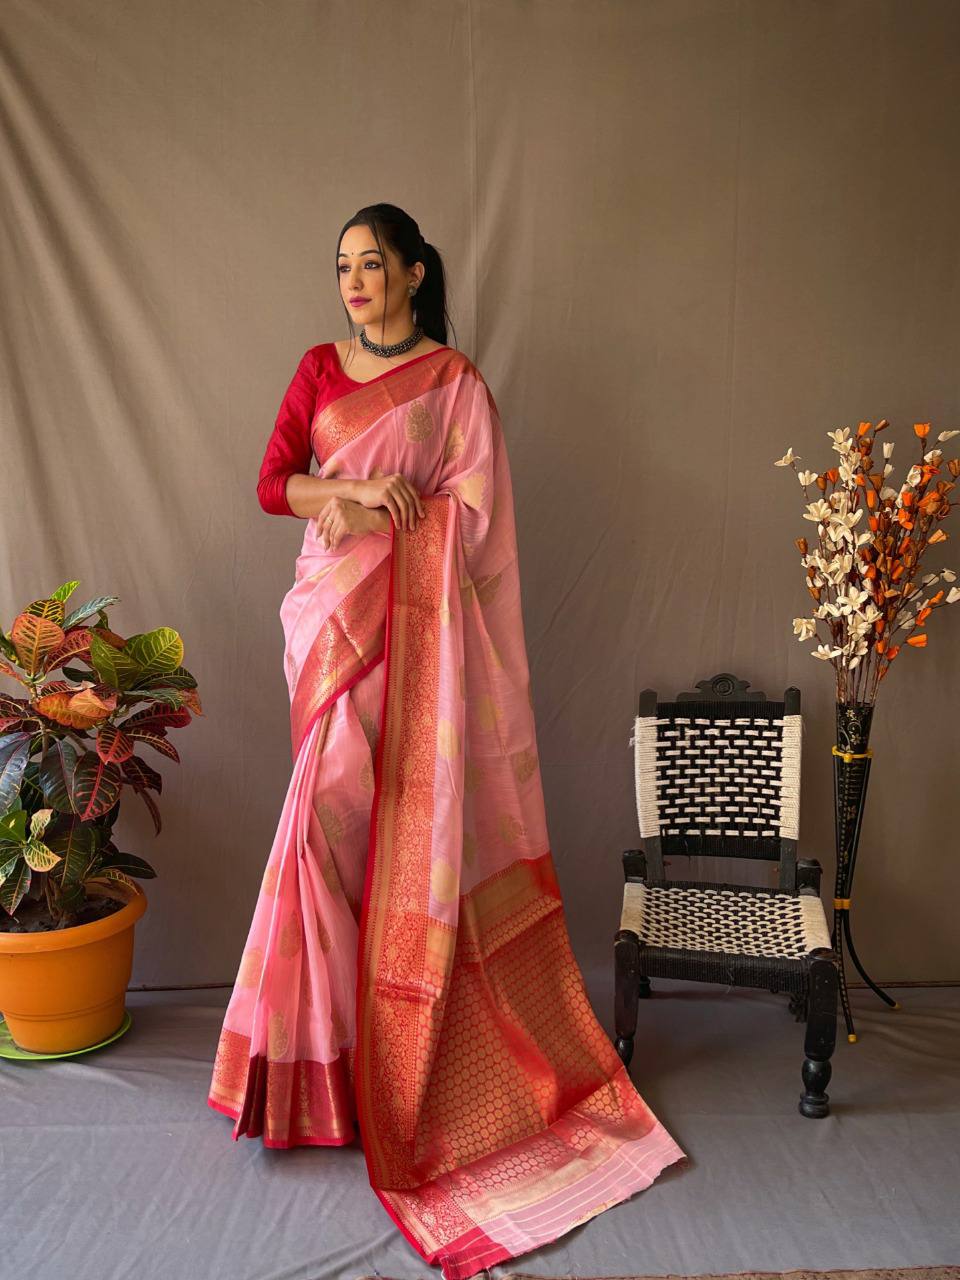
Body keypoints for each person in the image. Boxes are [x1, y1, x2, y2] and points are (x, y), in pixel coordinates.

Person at [207, 202, 685, 1280]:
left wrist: (393, 510)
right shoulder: (317, 368)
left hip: (417, 638)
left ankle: (384, 1056)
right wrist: (345, 491)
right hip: (331, 626)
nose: (354, 281)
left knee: (389, 831)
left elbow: (476, 517)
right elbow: (272, 480)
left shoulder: (456, 386)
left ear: (416, 272)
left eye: (373, 264)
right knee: (326, 815)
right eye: (342, 266)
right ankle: (309, 1064)